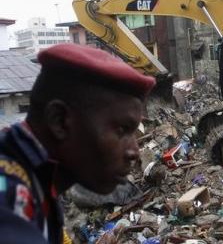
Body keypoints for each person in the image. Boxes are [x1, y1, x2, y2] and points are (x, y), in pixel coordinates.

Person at [0, 44, 156, 243]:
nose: (135, 151)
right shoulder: (8, 199)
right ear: (59, 121)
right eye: (122, 130)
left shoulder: (37, 177)